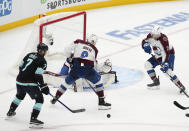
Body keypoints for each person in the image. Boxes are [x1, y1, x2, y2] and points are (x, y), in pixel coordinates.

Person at [50, 34, 111, 110]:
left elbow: (66, 50)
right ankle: (101, 102)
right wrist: (104, 66)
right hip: (87, 70)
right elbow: (95, 65)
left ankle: (56, 97)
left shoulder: (79, 42)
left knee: (66, 83)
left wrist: (70, 56)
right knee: (98, 81)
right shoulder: (95, 49)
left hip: (75, 69)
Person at [6, 43, 49, 128]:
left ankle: (10, 111)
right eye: (45, 51)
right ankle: (33, 120)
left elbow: (21, 66)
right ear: (44, 51)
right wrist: (43, 86)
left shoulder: (29, 54)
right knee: (39, 99)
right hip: (29, 83)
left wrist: (25, 75)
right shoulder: (43, 61)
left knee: (19, 96)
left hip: (19, 80)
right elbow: (38, 75)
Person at [142, 26, 185, 92]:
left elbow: (166, 53)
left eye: (155, 35)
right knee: (147, 64)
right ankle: (156, 82)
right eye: (153, 34)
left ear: (159, 34)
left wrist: (165, 63)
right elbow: (144, 41)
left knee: (167, 71)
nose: (153, 36)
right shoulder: (150, 35)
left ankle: (181, 86)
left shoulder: (164, 40)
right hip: (159, 54)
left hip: (169, 54)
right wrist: (145, 45)